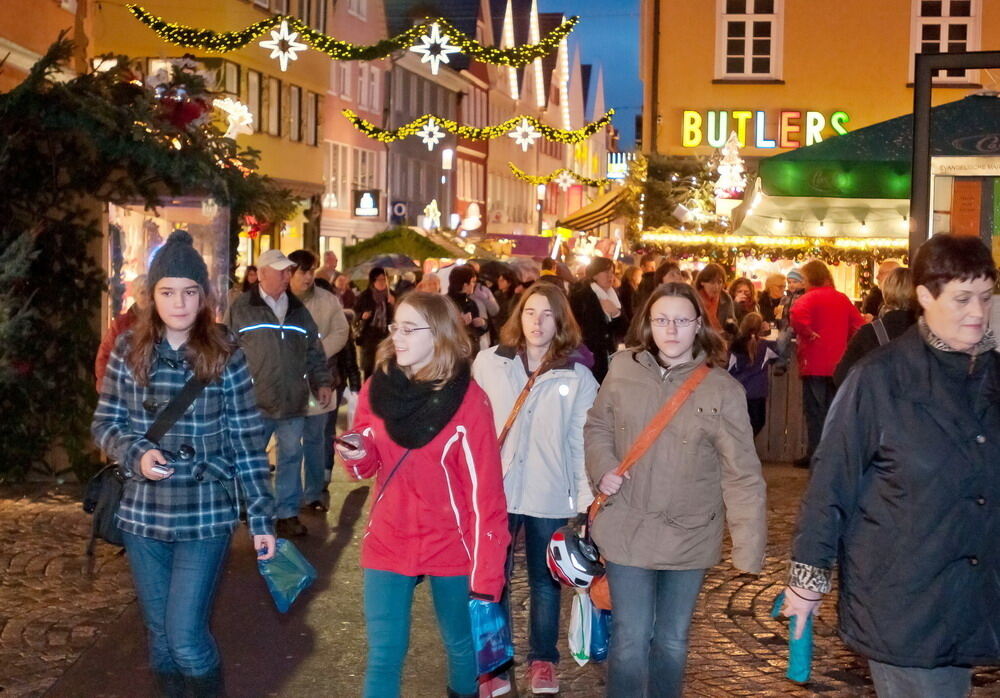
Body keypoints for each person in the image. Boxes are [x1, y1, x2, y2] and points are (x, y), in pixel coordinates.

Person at [782, 234, 999, 698]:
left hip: (972, 593)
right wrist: (807, 580)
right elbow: (830, 484)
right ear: (924, 296)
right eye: (962, 298)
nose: (977, 312)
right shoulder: (878, 379)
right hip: (902, 597)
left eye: (985, 297)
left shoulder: (991, 375)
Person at [92, 230, 275, 698]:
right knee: (160, 638)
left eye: (189, 291)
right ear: (152, 296)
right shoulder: (128, 349)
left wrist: (261, 518)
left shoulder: (225, 353)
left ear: (203, 296)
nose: (179, 302)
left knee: (186, 638)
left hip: (204, 513)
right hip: (143, 515)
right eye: (168, 292)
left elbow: (247, 441)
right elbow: (105, 423)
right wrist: (136, 452)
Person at [585, 282, 767, 698]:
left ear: (698, 325)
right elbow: (597, 426)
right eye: (662, 319)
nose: (671, 329)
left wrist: (747, 548)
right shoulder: (622, 369)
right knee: (629, 640)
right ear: (648, 324)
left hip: (689, 535)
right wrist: (604, 467)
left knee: (671, 640)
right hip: (629, 525)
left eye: (681, 320)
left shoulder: (722, 390)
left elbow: (742, 473)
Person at [335, 292, 510, 698]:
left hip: (452, 543)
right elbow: (366, 465)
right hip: (389, 538)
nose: (398, 336)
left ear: (441, 335)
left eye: (410, 328)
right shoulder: (377, 388)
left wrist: (487, 576)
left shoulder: (469, 401)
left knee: (462, 647)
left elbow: (487, 495)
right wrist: (359, 451)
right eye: (396, 326)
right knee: (383, 654)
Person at [472, 283, 598, 697]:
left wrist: (584, 503)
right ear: (518, 316)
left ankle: (543, 660)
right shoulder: (489, 363)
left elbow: (581, 442)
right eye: (529, 313)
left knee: (546, 581)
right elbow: (473, 427)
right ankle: (496, 663)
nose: (537, 323)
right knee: (495, 579)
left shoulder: (578, 376)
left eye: (546, 314)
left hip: (548, 491)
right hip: (498, 491)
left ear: (560, 321)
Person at [224, 248, 332, 537]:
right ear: (262, 274)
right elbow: (227, 352)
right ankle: (253, 510)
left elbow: (314, 350)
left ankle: (287, 513)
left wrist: (322, 382)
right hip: (254, 400)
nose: (287, 276)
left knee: (291, 456)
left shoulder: (298, 310)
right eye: (281, 271)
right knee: (251, 458)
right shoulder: (242, 308)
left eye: (288, 271)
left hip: (292, 399)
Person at [288, 250, 350, 512]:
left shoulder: (327, 300)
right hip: (287, 381)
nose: (308, 277)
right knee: (289, 443)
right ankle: (288, 498)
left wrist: (318, 352)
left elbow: (341, 331)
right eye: (303, 271)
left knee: (315, 437)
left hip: (319, 378)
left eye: (311, 271)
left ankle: (313, 493)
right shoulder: (280, 300)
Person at [789, 260, 865, 468]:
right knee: (835, 411)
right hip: (839, 365)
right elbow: (859, 325)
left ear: (809, 278)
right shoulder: (841, 298)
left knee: (815, 413)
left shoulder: (807, 299)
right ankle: (834, 456)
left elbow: (796, 317)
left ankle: (816, 454)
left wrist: (808, 333)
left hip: (813, 362)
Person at [833, 266, 917, 386]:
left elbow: (841, 376)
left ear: (886, 292)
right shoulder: (929, 331)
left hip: (879, 401)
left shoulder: (870, 333)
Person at [570, 257, 627, 384]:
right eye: (606, 272)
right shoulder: (582, 296)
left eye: (612, 273)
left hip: (608, 356)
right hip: (587, 356)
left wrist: (616, 313)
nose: (610, 276)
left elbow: (623, 330)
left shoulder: (613, 295)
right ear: (594, 274)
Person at [728, 312, 784, 436]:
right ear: (760, 328)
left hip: (739, 393)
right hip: (758, 394)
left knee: (739, 427)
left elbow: (729, 369)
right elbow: (778, 354)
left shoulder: (735, 346)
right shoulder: (766, 347)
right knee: (756, 424)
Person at [95, 274, 150, 392]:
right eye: (142, 292)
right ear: (135, 295)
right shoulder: (121, 324)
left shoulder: (164, 322)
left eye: (150, 292)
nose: (147, 297)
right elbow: (105, 354)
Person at [355, 267, 394, 379]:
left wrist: (394, 304)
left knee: (385, 364)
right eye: (379, 280)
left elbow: (398, 314)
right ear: (373, 281)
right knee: (369, 365)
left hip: (386, 334)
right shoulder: (365, 295)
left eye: (384, 279)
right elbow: (356, 312)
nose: (382, 282)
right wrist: (362, 315)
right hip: (370, 334)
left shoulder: (391, 295)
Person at [447, 265, 488, 355]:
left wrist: (482, 323)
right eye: (472, 282)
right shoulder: (445, 302)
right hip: (453, 352)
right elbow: (439, 329)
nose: (474, 285)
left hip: (470, 352)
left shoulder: (471, 302)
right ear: (465, 284)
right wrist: (459, 323)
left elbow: (479, 331)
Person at [694, 263, 737, 337]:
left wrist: (731, 326)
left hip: (721, 341)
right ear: (702, 282)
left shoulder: (726, 299)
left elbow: (731, 321)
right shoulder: (694, 298)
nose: (716, 287)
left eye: (719, 282)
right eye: (712, 282)